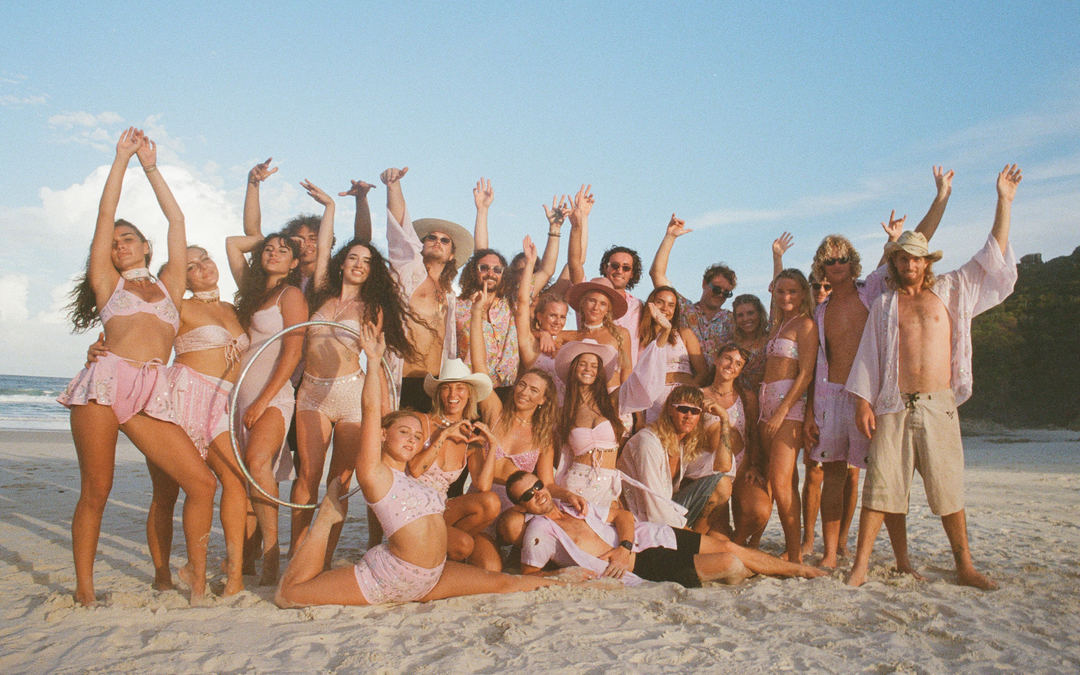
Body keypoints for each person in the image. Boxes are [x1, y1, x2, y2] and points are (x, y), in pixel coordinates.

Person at [275, 325, 558, 607]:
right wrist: (373, 363)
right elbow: (372, 409)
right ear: (383, 435)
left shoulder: (422, 477)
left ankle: (570, 579)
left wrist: (488, 445)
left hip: (431, 578)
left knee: (504, 582)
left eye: (417, 436)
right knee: (290, 595)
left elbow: (480, 486)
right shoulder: (376, 475)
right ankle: (326, 519)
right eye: (404, 432)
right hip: (389, 579)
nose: (413, 439)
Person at [59, 128, 217, 605]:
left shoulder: (170, 284)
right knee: (97, 490)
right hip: (105, 385)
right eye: (114, 243)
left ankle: (194, 577)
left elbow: (177, 218)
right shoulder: (109, 284)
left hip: (152, 391)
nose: (120, 245)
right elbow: (104, 215)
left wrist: (150, 166)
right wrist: (120, 160)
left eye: (128, 239)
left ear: (147, 246)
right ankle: (85, 591)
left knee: (201, 483)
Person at [846, 165, 1022, 589]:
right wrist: (862, 402)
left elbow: (993, 256)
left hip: (939, 404)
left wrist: (1004, 201)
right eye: (902, 257)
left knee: (948, 491)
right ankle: (860, 567)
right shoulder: (884, 305)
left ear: (927, 262)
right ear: (894, 261)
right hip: (892, 405)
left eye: (917, 257)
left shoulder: (952, 291)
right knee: (881, 488)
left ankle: (965, 567)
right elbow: (868, 357)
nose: (910, 263)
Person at [804, 167, 954, 567]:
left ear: (852, 263)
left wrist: (940, 197)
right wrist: (810, 412)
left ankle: (896, 556)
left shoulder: (872, 290)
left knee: (884, 478)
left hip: (871, 397)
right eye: (829, 261)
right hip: (831, 399)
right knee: (834, 476)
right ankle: (831, 553)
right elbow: (815, 364)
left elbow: (914, 248)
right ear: (821, 267)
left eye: (842, 258)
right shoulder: (819, 312)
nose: (837, 264)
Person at [291, 207, 417, 560]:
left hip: (350, 393)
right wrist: (330, 207)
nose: (359, 264)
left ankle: (324, 557)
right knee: (307, 476)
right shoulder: (320, 293)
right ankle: (296, 555)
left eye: (366, 261)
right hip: (312, 392)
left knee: (339, 482)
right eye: (353, 258)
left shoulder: (371, 308)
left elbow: (376, 356)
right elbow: (324, 246)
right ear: (342, 263)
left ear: (371, 271)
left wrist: (384, 409)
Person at [509, 472, 826, 587]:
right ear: (522, 507)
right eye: (527, 495)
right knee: (730, 562)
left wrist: (624, 547)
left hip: (647, 537)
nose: (537, 494)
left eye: (537, 485)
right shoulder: (539, 531)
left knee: (728, 545)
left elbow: (623, 516)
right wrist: (566, 575)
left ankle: (798, 569)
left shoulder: (571, 505)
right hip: (645, 564)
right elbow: (528, 573)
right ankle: (771, 570)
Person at [226, 206, 311, 584]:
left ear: (294, 264)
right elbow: (232, 244)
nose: (273, 253)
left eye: (283, 251)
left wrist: (263, 401)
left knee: (258, 462)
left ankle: (272, 552)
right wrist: (273, 240)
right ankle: (246, 556)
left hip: (273, 396)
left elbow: (293, 351)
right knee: (245, 476)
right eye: (268, 250)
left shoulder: (290, 295)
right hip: (238, 397)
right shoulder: (251, 293)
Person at [382, 166, 473, 412]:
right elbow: (400, 232)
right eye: (431, 237)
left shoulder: (450, 294)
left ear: (452, 254)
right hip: (401, 378)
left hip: (436, 385)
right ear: (421, 246)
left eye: (445, 240)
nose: (437, 242)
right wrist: (394, 186)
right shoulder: (408, 273)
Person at [406, 359, 502, 569]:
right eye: (446, 388)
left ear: (469, 394)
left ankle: (438, 549)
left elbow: (483, 485)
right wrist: (443, 435)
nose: (452, 395)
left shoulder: (469, 435)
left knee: (491, 502)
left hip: (440, 509)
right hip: (411, 507)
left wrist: (492, 445)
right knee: (464, 545)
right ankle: (441, 550)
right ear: (439, 394)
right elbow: (414, 469)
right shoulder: (421, 421)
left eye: (460, 388)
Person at [760, 265, 818, 564]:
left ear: (803, 293)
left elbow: (806, 373)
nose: (786, 297)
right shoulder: (778, 323)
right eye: (781, 291)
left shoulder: (805, 325)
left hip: (788, 407)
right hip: (766, 405)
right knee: (786, 482)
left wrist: (782, 412)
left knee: (780, 481)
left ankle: (795, 555)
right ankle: (791, 546)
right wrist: (777, 257)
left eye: (793, 291)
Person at [565, 186, 646, 366]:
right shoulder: (588, 293)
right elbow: (575, 263)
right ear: (605, 267)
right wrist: (580, 222)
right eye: (615, 265)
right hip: (587, 373)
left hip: (624, 379)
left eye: (626, 268)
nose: (619, 271)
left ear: (632, 273)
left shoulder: (639, 307)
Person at [649, 214, 738, 367]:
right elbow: (657, 274)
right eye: (717, 289)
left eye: (726, 293)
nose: (720, 295)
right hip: (684, 378)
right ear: (704, 284)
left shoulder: (732, 320)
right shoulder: (684, 309)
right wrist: (670, 237)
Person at [636, 286, 709, 424]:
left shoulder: (684, 334)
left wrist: (687, 393)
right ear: (651, 304)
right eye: (660, 302)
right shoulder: (640, 338)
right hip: (653, 403)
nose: (665, 308)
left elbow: (703, 373)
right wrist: (639, 417)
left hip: (684, 404)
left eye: (671, 305)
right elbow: (636, 380)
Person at [731, 294, 769, 394]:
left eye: (750, 313)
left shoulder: (771, 341)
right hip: (738, 399)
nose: (746, 319)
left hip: (766, 397)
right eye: (740, 315)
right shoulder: (731, 345)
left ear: (760, 314)